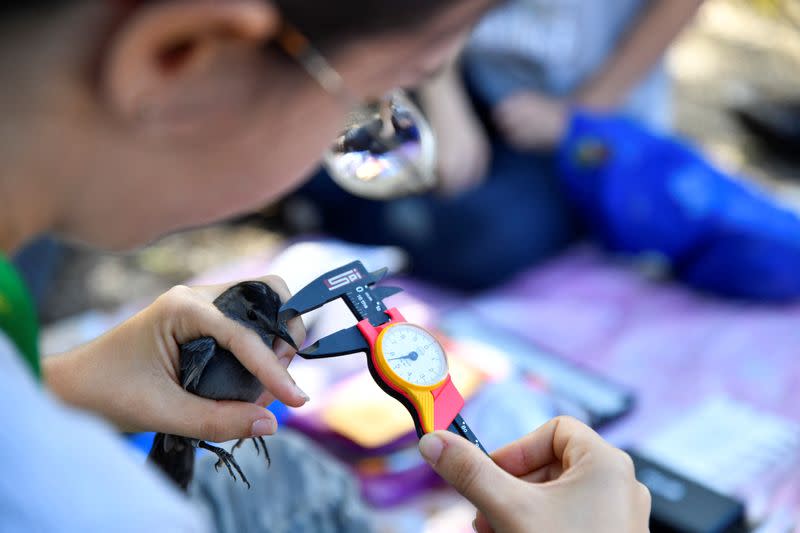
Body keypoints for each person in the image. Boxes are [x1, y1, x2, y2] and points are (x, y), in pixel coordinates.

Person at [0, 1, 649, 531]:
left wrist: (63, 386)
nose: (377, 128)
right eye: (369, 97)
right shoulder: (79, 503)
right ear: (183, 56)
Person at [292, 0, 703, 290]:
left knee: (482, 240)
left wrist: (577, 116)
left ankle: (351, 215)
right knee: (304, 141)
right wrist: (443, 96)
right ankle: (340, 208)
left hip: (591, 123)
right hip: (471, 77)